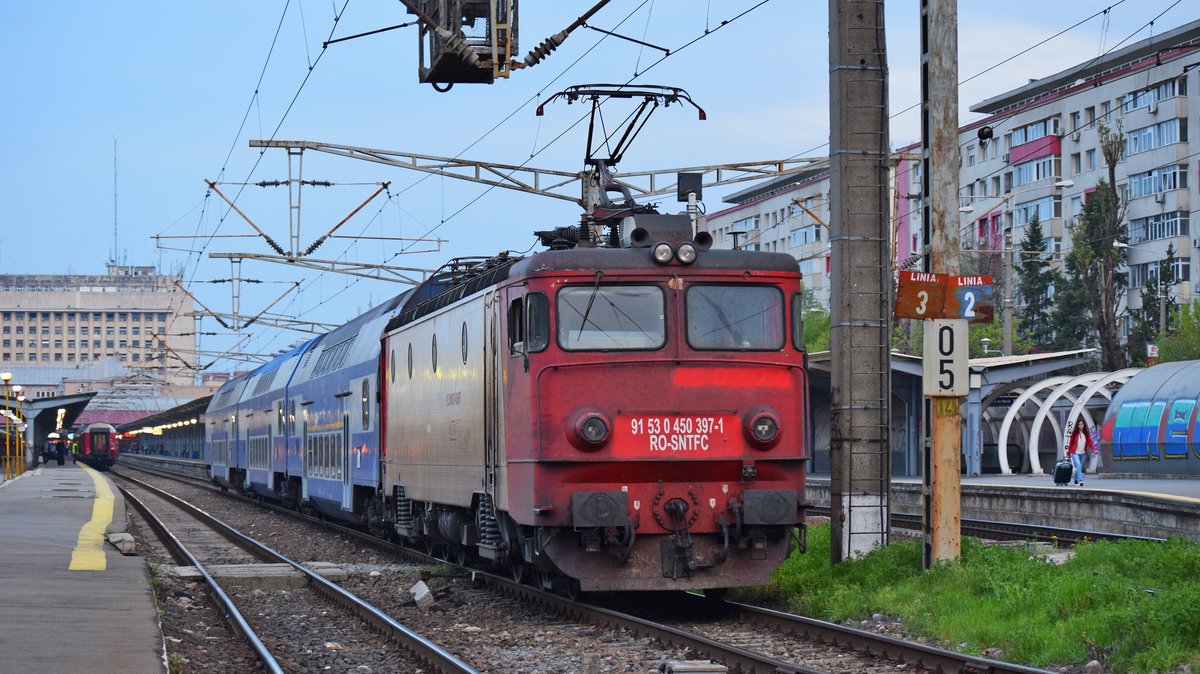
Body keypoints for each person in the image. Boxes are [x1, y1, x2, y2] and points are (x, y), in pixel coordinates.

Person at [1065, 418, 1098, 486]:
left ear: (1084, 425)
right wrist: (1068, 453)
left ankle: (1076, 480)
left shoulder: (1086, 433)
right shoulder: (1074, 433)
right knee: (1078, 465)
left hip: (1083, 453)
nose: (1080, 425)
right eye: (1079, 424)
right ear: (1077, 425)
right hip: (1075, 453)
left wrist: (1094, 449)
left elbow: (1090, 442)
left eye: (1082, 424)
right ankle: (1080, 480)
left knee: (1079, 467)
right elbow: (1070, 443)